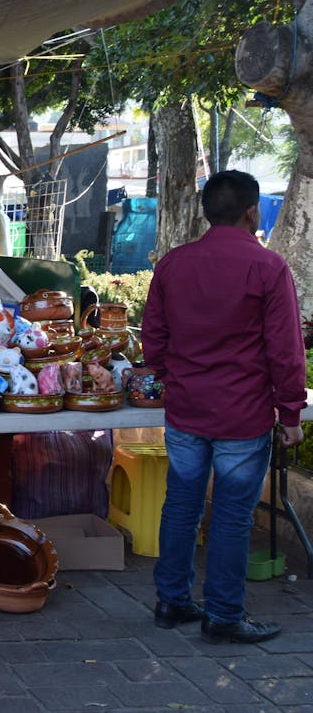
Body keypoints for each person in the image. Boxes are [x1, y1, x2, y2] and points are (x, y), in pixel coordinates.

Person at [143, 170, 305, 645]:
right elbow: (286, 350)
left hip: (187, 410)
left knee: (181, 506)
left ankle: (171, 602)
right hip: (243, 414)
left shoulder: (173, 264)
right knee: (232, 517)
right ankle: (224, 616)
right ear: (253, 211)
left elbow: (153, 340)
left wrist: (175, 375)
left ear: (205, 211)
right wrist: (291, 414)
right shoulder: (268, 267)